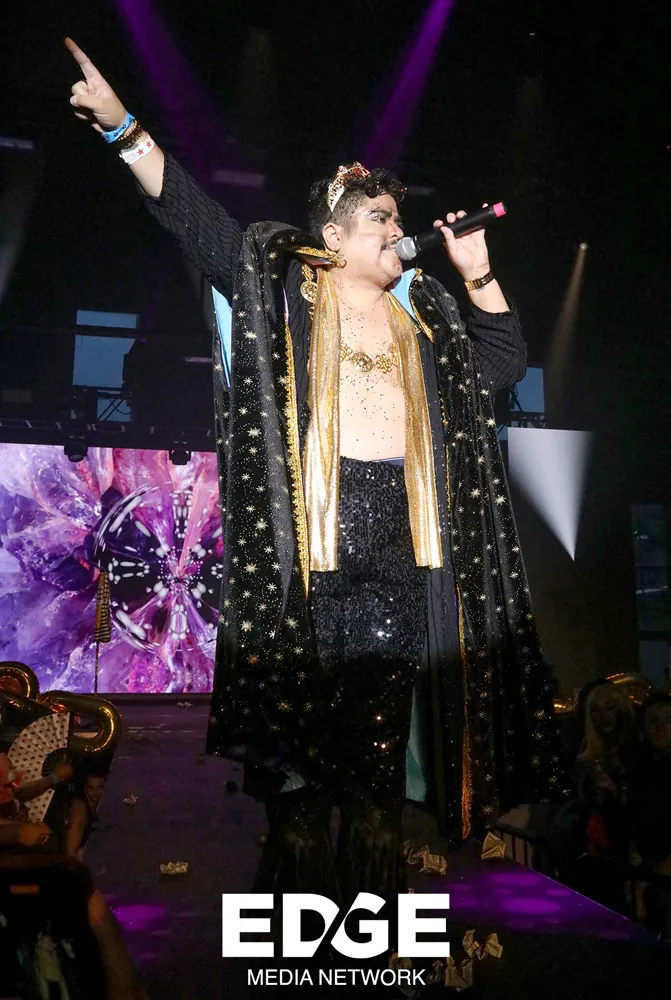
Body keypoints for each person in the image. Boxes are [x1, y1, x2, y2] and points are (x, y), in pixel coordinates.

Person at [65, 38, 564, 904]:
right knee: (297, 767)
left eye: (397, 221)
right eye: (379, 220)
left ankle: (365, 907)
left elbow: (502, 363)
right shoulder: (287, 295)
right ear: (332, 237)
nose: (397, 232)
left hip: (401, 545)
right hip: (309, 545)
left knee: (375, 765)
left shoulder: (425, 322)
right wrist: (122, 128)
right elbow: (197, 222)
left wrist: (477, 274)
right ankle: (295, 904)